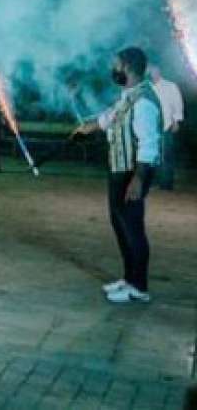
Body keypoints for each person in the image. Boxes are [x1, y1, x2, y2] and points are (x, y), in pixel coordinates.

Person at [73, 47, 162, 304]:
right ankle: (128, 278)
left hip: (131, 173)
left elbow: (149, 144)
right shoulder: (129, 96)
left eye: (116, 66)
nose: (113, 70)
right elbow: (109, 118)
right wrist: (87, 128)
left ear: (129, 68)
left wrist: (138, 179)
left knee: (133, 228)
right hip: (119, 170)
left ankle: (139, 287)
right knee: (120, 223)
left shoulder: (144, 101)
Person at [148, 65, 183, 190]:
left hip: (167, 124)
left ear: (159, 71)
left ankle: (167, 184)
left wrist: (176, 120)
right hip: (150, 127)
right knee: (151, 156)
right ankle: (152, 182)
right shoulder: (147, 88)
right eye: (150, 71)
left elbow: (177, 103)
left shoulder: (170, 86)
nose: (152, 73)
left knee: (166, 155)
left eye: (154, 70)